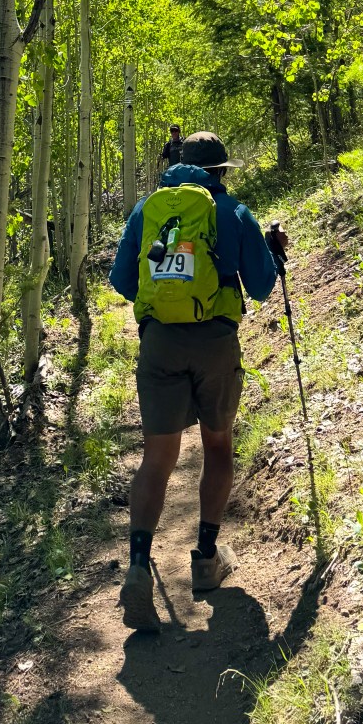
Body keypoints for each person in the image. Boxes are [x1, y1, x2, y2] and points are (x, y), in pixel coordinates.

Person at [109, 131, 286, 632]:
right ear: (222, 171)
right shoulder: (233, 212)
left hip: (159, 342)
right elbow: (263, 287)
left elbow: (124, 282)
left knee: (157, 458)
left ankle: (140, 565)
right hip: (215, 342)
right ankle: (207, 559)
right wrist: (272, 251)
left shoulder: (148, 211)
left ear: (178, 166)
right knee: (218, 445)